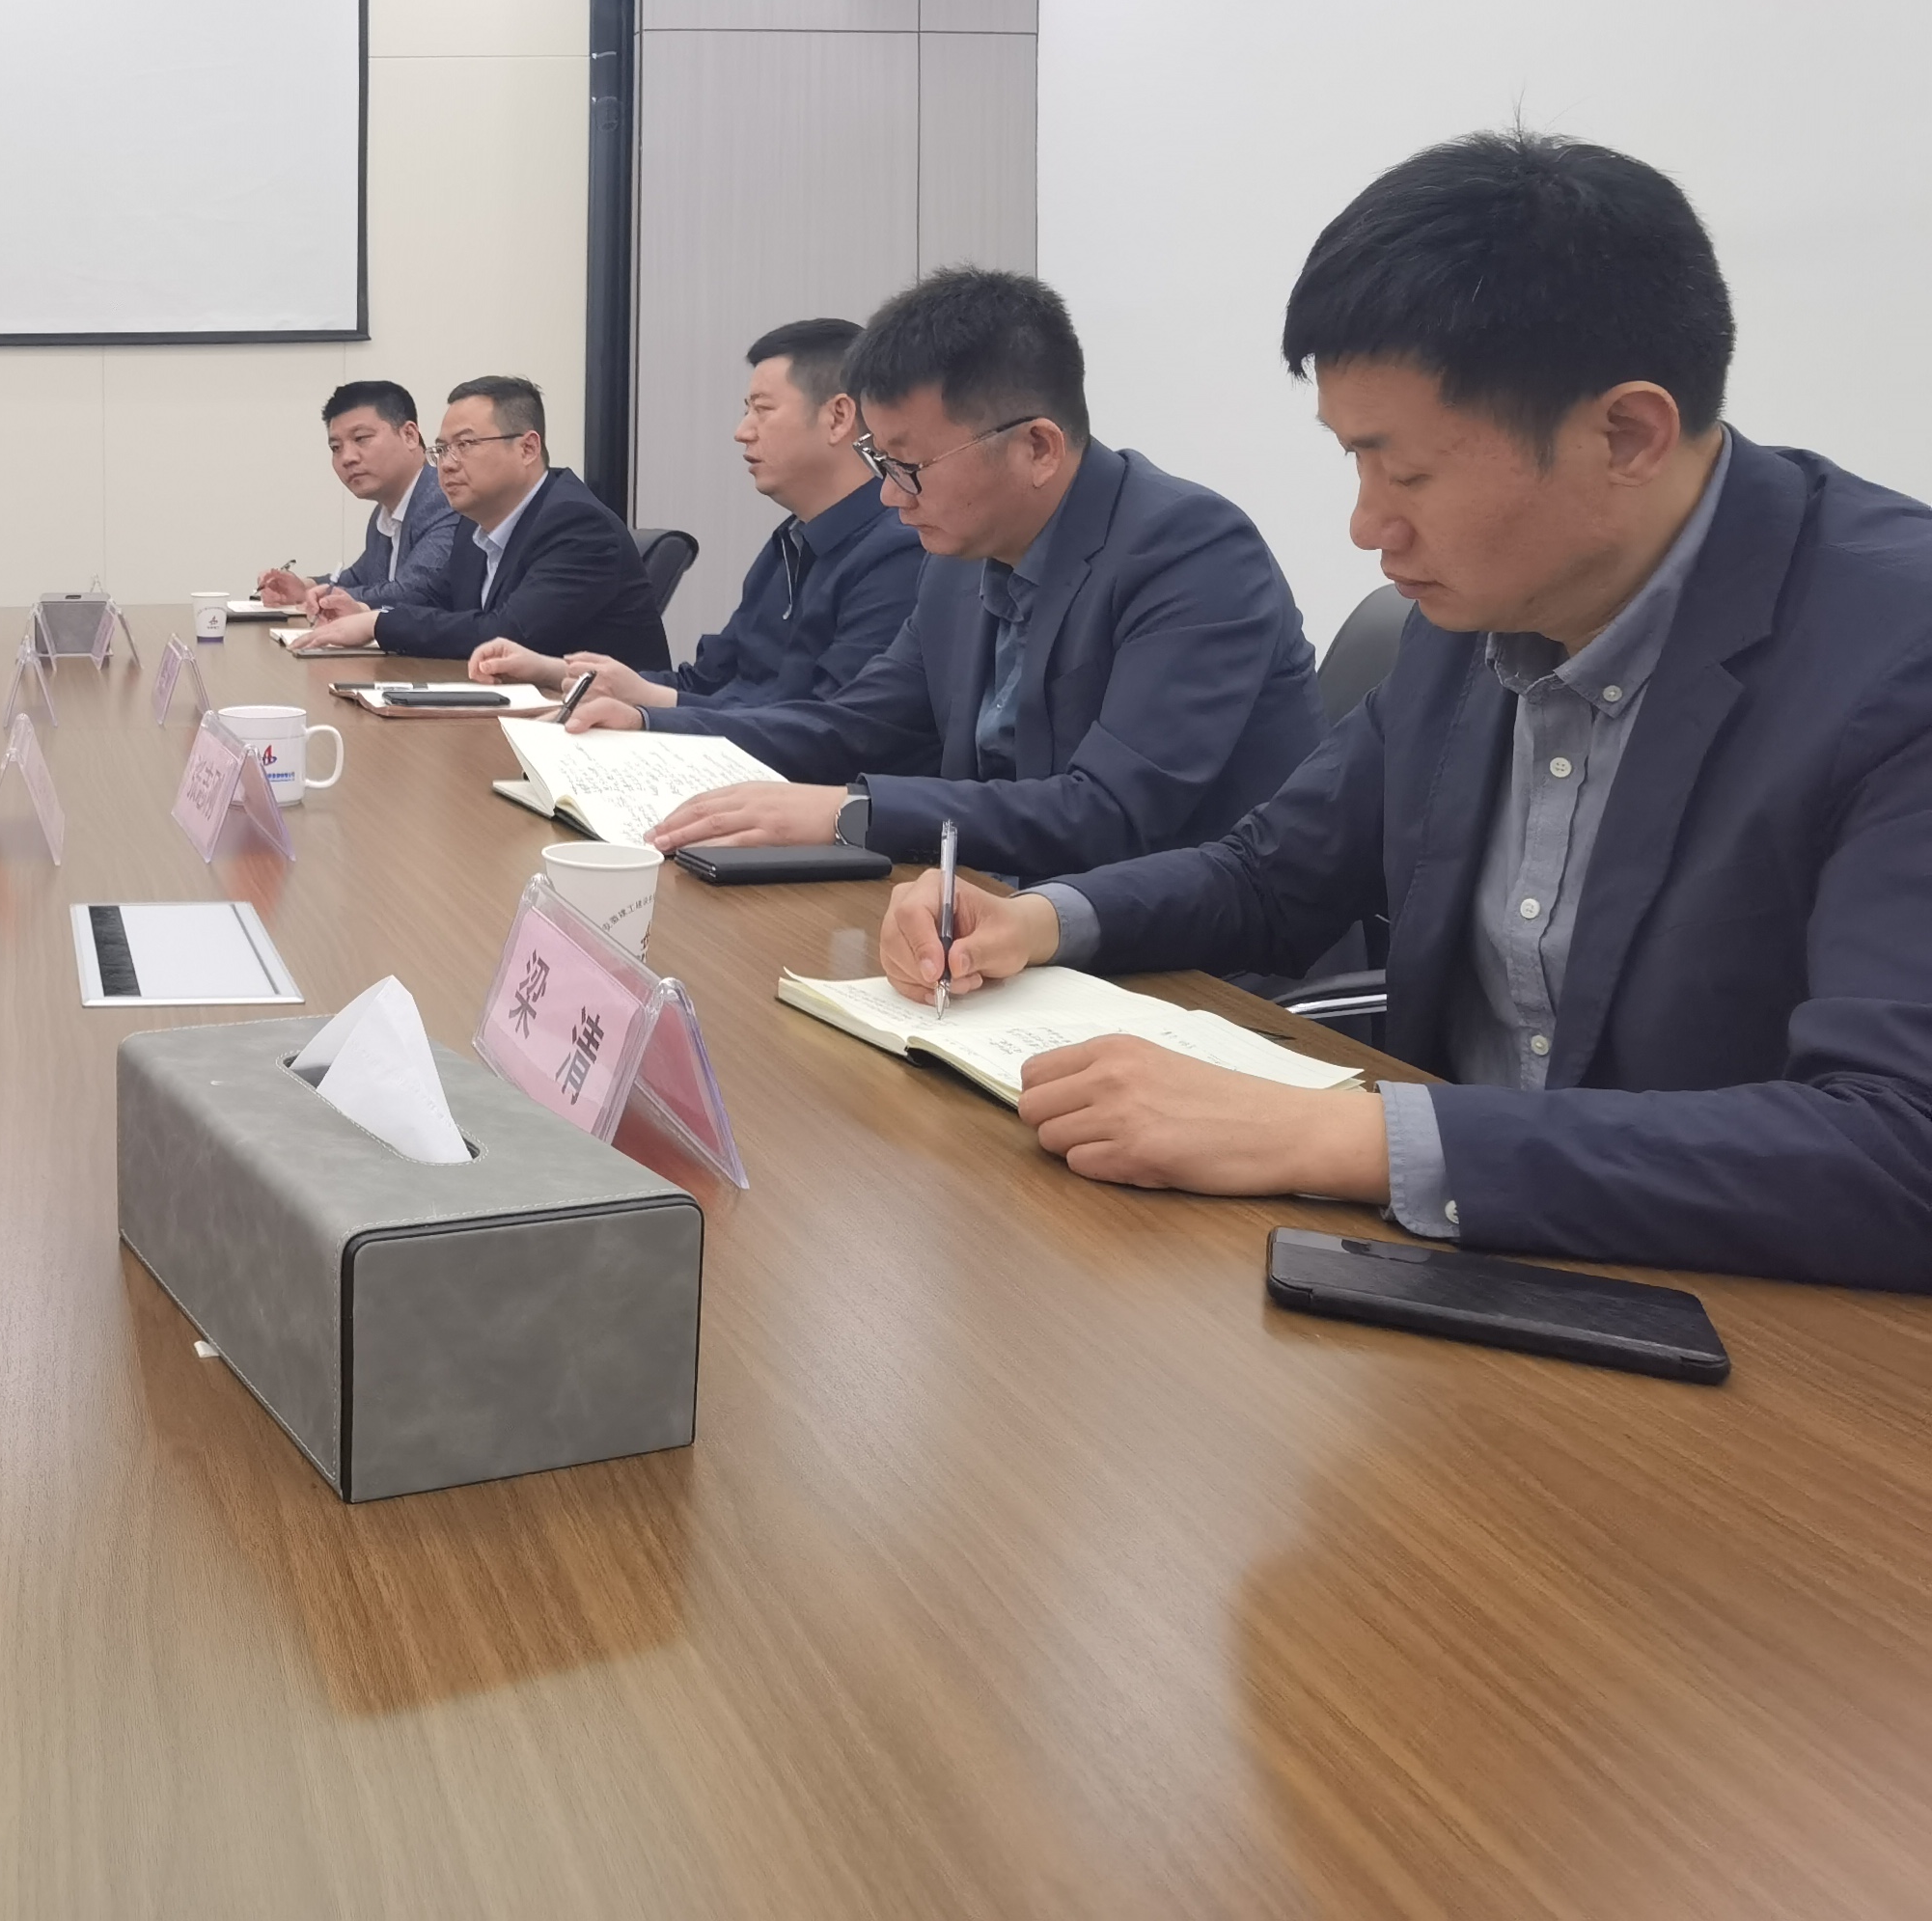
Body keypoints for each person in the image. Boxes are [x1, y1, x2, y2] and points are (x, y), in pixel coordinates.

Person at [884, 133, 1932, 1294]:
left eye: (1408, 473)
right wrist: (1038, 920)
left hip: (1763, 1324)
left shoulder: (1895, 653)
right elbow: (1273, 874)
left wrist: (1345, 1137)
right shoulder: (1475, 616)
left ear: (1627, 434)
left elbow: (1902, 1146)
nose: (1367, 525)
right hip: (1452, 1280)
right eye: (1355, 462)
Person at [598, 270, 1320, 876]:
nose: (889, 495)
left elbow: (1108, 811)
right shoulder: (956, 564)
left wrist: (851, 811)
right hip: (990, 915)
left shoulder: (1190, 551)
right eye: (880, 461)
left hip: (1189, 966)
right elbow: (857, 725)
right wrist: (652, 725)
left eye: (909, 465)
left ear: (1037, 448)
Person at [475, 316, 921, 712]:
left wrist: (649, 708)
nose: (742, 432)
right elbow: (708, 681)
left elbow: (828, 728)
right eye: (745, 411)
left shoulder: (898, 551)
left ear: (838, 417)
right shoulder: (789, 542)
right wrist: (554, 670)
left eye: (762, 410)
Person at [291, 376, 668, 666]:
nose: (447, 463)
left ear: (527, 448)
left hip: (601, 727)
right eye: (442, 449)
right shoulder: (474, 521)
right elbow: (436, 599)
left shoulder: (577, 524)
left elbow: (506, 633)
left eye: (465, 445)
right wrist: (362, 611)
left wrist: (377, 624)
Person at [257, 380, 455, 621]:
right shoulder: (384, 512)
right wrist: (306, 587)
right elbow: (360, 577)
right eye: (336, 447)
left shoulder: (444, 499)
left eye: (361, 438)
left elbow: (413, 592)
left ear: (409, 435)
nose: (347, 458)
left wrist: (323, 597)